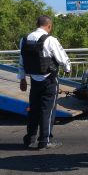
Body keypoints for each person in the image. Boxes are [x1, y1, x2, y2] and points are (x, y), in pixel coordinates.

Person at [18, 15, 71, 150]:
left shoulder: (24, 40)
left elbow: (22, 61)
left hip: (33, 81)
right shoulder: (50, 40)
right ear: (49, 26)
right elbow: (62, 58)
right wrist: (67, 68)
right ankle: (45, 141)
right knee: (47, 110)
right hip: (49, 80)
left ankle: (30, 138)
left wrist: (22, 79)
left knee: (33, 109)